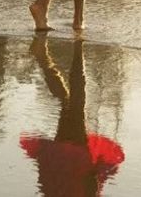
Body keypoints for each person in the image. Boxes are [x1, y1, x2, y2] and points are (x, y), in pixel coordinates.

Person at [20, 37, 125, 196]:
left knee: (75, 101)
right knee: (67, 103)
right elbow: (47, 183)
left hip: (78, 153)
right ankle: (45, 58)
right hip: (61, 154)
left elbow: (91, 182)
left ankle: (73, 51)